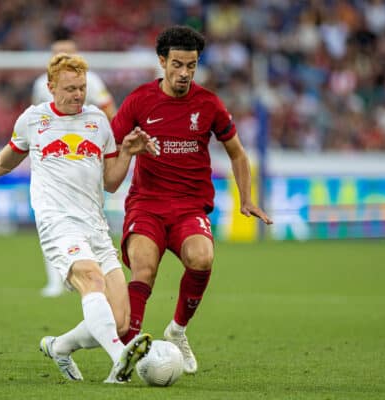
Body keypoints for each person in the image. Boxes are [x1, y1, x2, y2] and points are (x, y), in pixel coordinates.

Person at [0, 53, 155, 383]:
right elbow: (1, 162)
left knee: (121, 321)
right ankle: (119, 360)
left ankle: (59, 346)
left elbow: (110, 181)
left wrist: (125, 153)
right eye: (70, 88)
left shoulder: (98, 121)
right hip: (58, 224)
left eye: (81, 88)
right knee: (91, 281)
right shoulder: (33, 120)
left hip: (95, 227)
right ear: (51, 88)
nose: (78, 95)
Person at [111, 25, 273, 374]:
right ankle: (127, 352)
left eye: (192, 65)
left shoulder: (209, 103)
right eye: (178, 64)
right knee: (144, 269)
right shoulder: (139, 100)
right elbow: (110, 148)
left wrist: (246, 198)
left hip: (189, 207)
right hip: (147, 204)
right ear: (162, 62)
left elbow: (238, 154)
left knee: (202, 258)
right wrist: (121, 157)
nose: (184, 73)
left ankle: (178, 331)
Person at [32, 27, 118, 298]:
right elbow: (36, 121)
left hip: (83, 160)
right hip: (53, 163)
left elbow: (108, 110)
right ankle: (56, 280)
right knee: (50, 218)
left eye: (67, 52)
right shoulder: (39, 85)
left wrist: (113, 146)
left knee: (88, 221)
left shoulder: (91, 81)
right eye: (58, 52)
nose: (62, 56)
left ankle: (90, 274)